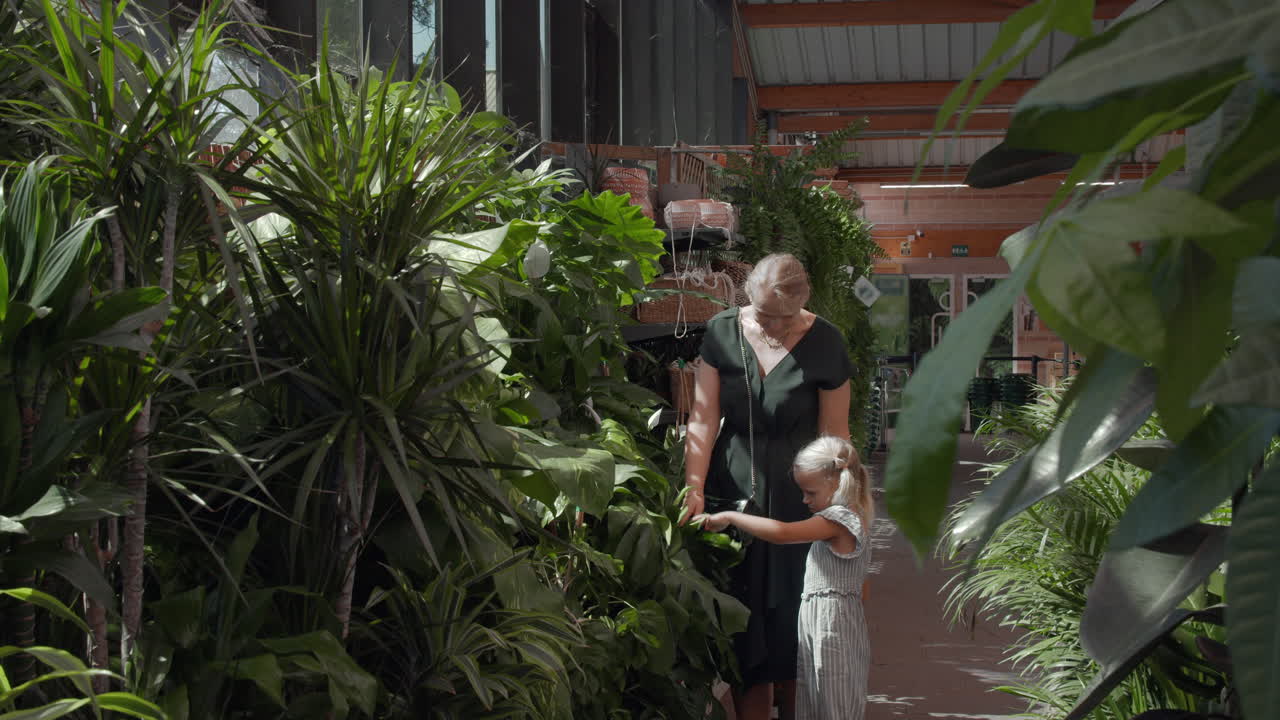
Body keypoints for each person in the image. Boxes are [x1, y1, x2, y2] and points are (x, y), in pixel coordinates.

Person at [682, 253, 853, 720]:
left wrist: (839, 514)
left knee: (795, 618)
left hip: (801, 497)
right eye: (762, 316)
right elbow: (702, 417)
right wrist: (694, 486)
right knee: (741, 619)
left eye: (784, 318)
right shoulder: (721, 331)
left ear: (804, 301)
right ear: (747, 297)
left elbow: (836, 435)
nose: (772, 328)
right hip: (731, 485)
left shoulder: (827, 343)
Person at [695, 435, 874, 720]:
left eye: (811, 493)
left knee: (833, 703)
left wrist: (731, 517)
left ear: (836, 483)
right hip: (826, 621)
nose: (804, 500)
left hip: (832, 625)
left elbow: (783, 533)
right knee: (820, 701)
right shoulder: (849, 515)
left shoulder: (840, 519)